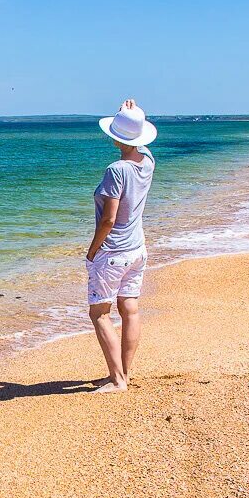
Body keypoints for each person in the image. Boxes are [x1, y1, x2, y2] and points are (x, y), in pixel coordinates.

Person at [85, 99, 156, 393]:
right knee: (129, 308)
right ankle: (123, 373)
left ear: (117, 137)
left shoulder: (116, 170)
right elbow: (144, 147)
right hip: (137, 248)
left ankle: (117, 381)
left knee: (99, 312)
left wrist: (92, 251)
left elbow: (109, 220)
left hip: (113, 251)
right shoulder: (148, 162)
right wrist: (133, 115)